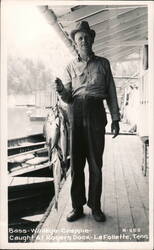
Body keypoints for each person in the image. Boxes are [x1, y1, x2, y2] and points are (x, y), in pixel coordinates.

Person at [55, 21, 120, 222]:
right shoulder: (69, 67)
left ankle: (96, 206)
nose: (83, 41)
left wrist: (115, 118)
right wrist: (60, 90)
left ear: (92, 39)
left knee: (95, 163)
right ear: (75, 43)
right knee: (76, 164)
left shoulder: (103, 63)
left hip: (96, 112)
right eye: (79, 38)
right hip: (75, 111)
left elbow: (111, 92)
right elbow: (67, 98)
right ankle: (77, 207)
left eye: (86, 37)